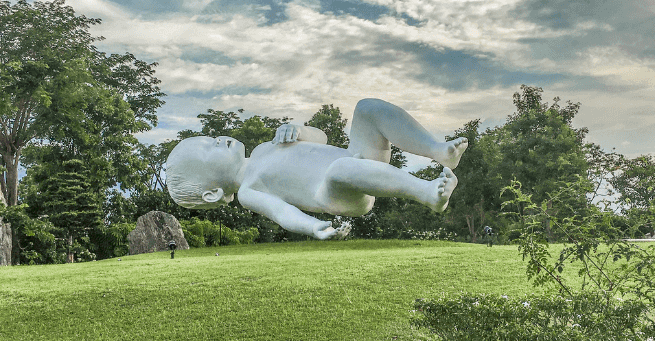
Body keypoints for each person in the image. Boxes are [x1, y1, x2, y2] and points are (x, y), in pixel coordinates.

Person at [164, 98, 467, 240]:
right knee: (339, 168)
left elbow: (320, 138)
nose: (219, 140)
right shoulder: (248, 191)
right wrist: (312, 226)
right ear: (213, 192)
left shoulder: (263, 148)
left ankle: (438, 150)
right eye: (209, 148)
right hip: (335, 192)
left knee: (367, 108)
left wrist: (297, 129)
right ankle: (427, 192)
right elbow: (282, 213)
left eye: (211, 138)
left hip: (357, 159)